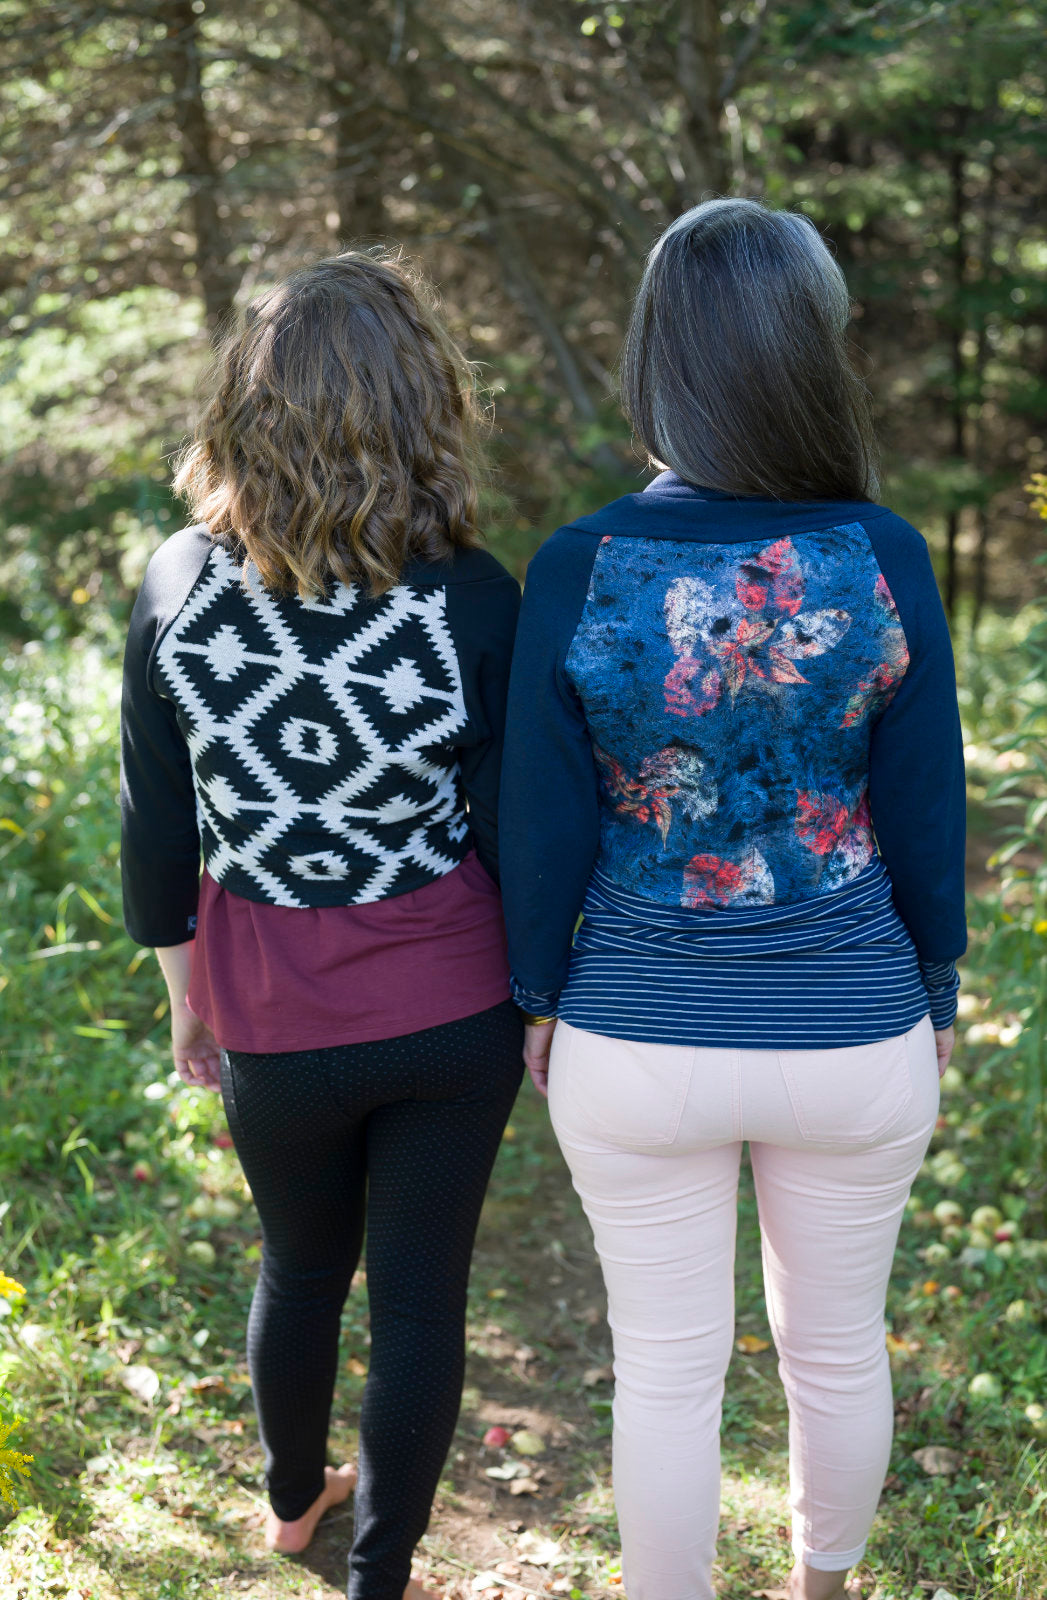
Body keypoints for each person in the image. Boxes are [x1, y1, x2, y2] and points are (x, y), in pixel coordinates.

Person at [499, 198, 965, 1600]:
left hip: (639, 1037)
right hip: (853, 1030)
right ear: (813, 350)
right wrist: (936, 991)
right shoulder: (882, 554)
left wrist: (536, 995)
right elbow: (929, 808)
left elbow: (540, 818)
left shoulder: (583, 567)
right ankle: (821, 1591)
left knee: (664, 1375)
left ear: (659, 358)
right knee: (839, 1353)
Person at [120, 250, 524, 1600]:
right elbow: (511, 823)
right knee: (418, 1301)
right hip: (448, 1005)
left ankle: (295, 1502)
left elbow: (157, 836)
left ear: (245, 405)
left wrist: (192, 993)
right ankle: (379, 1572)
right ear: (423, 407)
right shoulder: (471, 596)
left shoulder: (178, 587)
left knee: (300, 1268)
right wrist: (540, 1003)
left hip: (273, 1008)